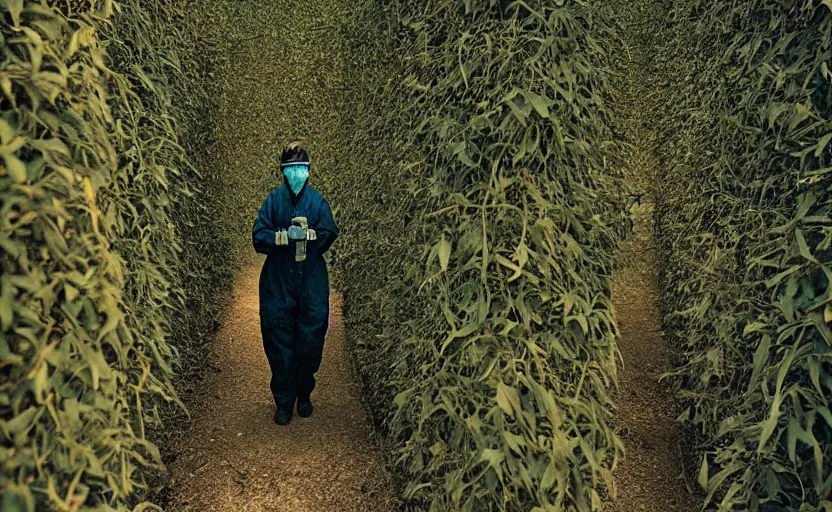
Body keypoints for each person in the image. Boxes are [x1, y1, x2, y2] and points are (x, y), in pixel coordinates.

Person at [252, 140, 339, 425]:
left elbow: (329, 231)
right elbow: (258, 235)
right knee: (278, 340)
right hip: (278, 279)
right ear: (283, 171)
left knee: (311, 340)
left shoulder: (317, 202)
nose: (297, 173)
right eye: (292, 168)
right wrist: (283, 237)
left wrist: (311, 236)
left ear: (309, 170)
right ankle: (284, 401)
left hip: (311, 277)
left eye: (301, 168)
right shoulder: (274, 201)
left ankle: (304, 394)